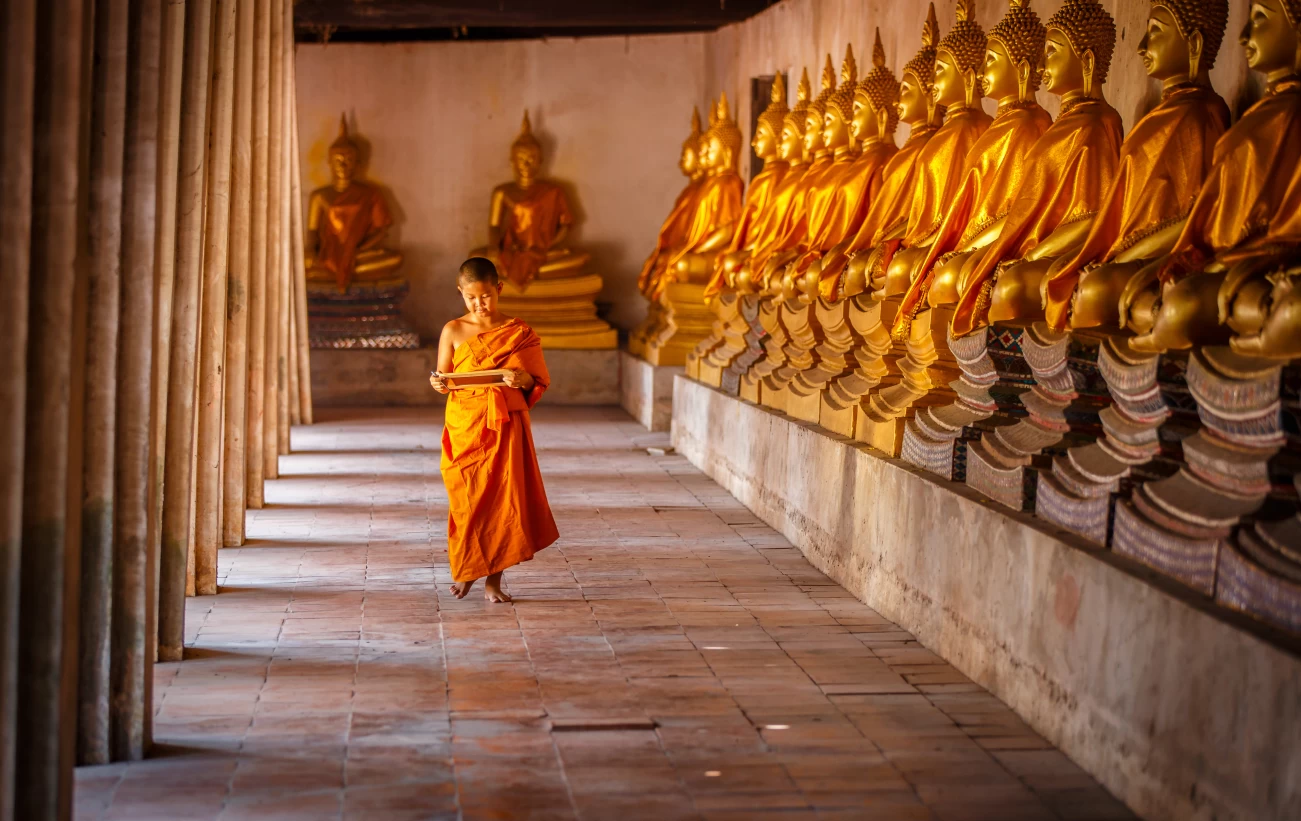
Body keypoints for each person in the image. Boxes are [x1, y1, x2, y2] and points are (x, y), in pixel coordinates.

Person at [429, 257, 559, 602]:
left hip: (503, 424)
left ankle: (493, 582)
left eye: (485, 296)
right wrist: (438, 384)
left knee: (503, 499)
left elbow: (538, 381)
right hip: (465, 425)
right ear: (461, 293)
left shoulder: (519, 333)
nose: (479, 304)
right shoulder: (453, 330)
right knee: (467, 499)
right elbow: (443, 376)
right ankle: (468, 568)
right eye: (471, 298)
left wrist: (523, 379)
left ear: (498, 289)